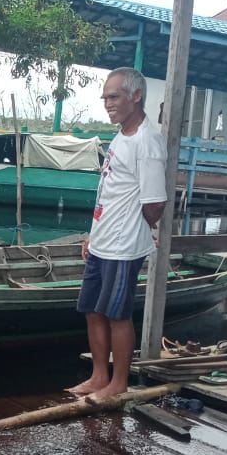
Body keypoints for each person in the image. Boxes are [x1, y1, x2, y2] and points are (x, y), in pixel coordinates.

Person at [68, 67, 167, 399]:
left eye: (114, 97)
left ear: (136, 96)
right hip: (102, 241)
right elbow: (108, 192)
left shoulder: (146, 140)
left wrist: (134, 230)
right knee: (92, 309)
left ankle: (118, 383)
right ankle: (98, 377)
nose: (107, 104)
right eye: (105, 98)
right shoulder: (121, 135)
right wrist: (92, 234)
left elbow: (155, 204)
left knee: (117, 314)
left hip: (124, 247)